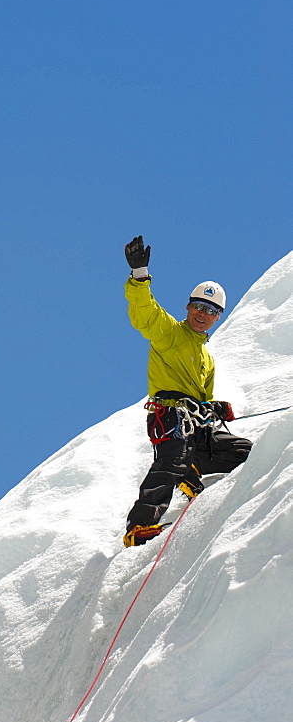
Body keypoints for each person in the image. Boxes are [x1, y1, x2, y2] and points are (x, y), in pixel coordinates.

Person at [122, 235, 252, 548]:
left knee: (242, 450)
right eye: (198, 306)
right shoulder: (168, 333)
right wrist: (140, 276)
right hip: (169, 414)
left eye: (211, 310)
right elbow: (145, 313)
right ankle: (139, 525)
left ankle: (193, 470)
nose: (202, 313)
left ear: (217, 317)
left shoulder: (207, 358)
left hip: (195, 423)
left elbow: (203, 399)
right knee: (172, 459)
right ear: (188, 307)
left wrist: (215, 407)